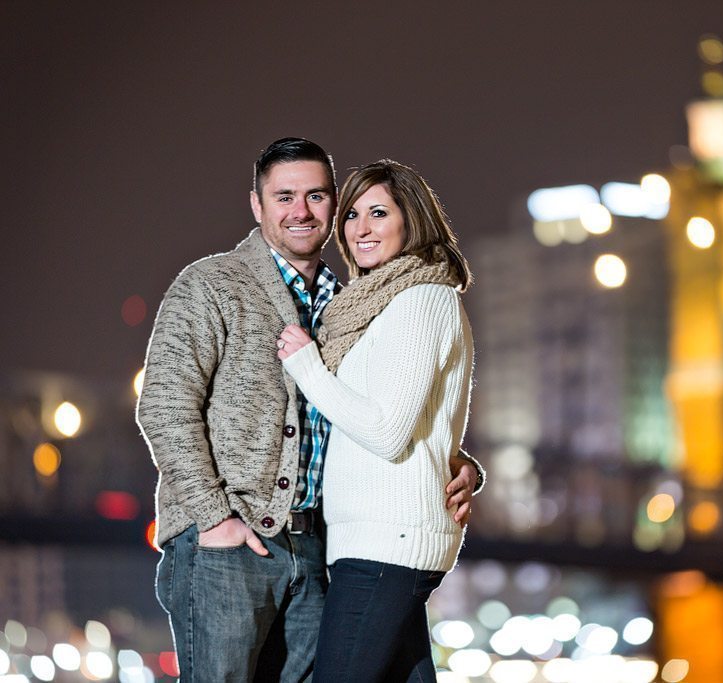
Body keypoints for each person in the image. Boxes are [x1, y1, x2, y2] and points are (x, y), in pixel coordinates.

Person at [136, 139, 481, 682]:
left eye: (316, 196)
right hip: (232, 545)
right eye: (284, 197)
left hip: (318, 545)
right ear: (257, 205)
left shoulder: (350, 302)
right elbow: (164, 405)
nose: (301, 211)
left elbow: (389, 405)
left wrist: (455, 460)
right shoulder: (211, 284)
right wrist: (215, 517)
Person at [276, 159, 474, 682]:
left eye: (379, 213)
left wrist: (307, 368)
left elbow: (388, 432)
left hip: (389, 543)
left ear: (411, 219)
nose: (360, 229)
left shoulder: (422, 300)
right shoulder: (376, 305)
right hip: (375, 540)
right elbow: (421, 414)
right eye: (352, 215)